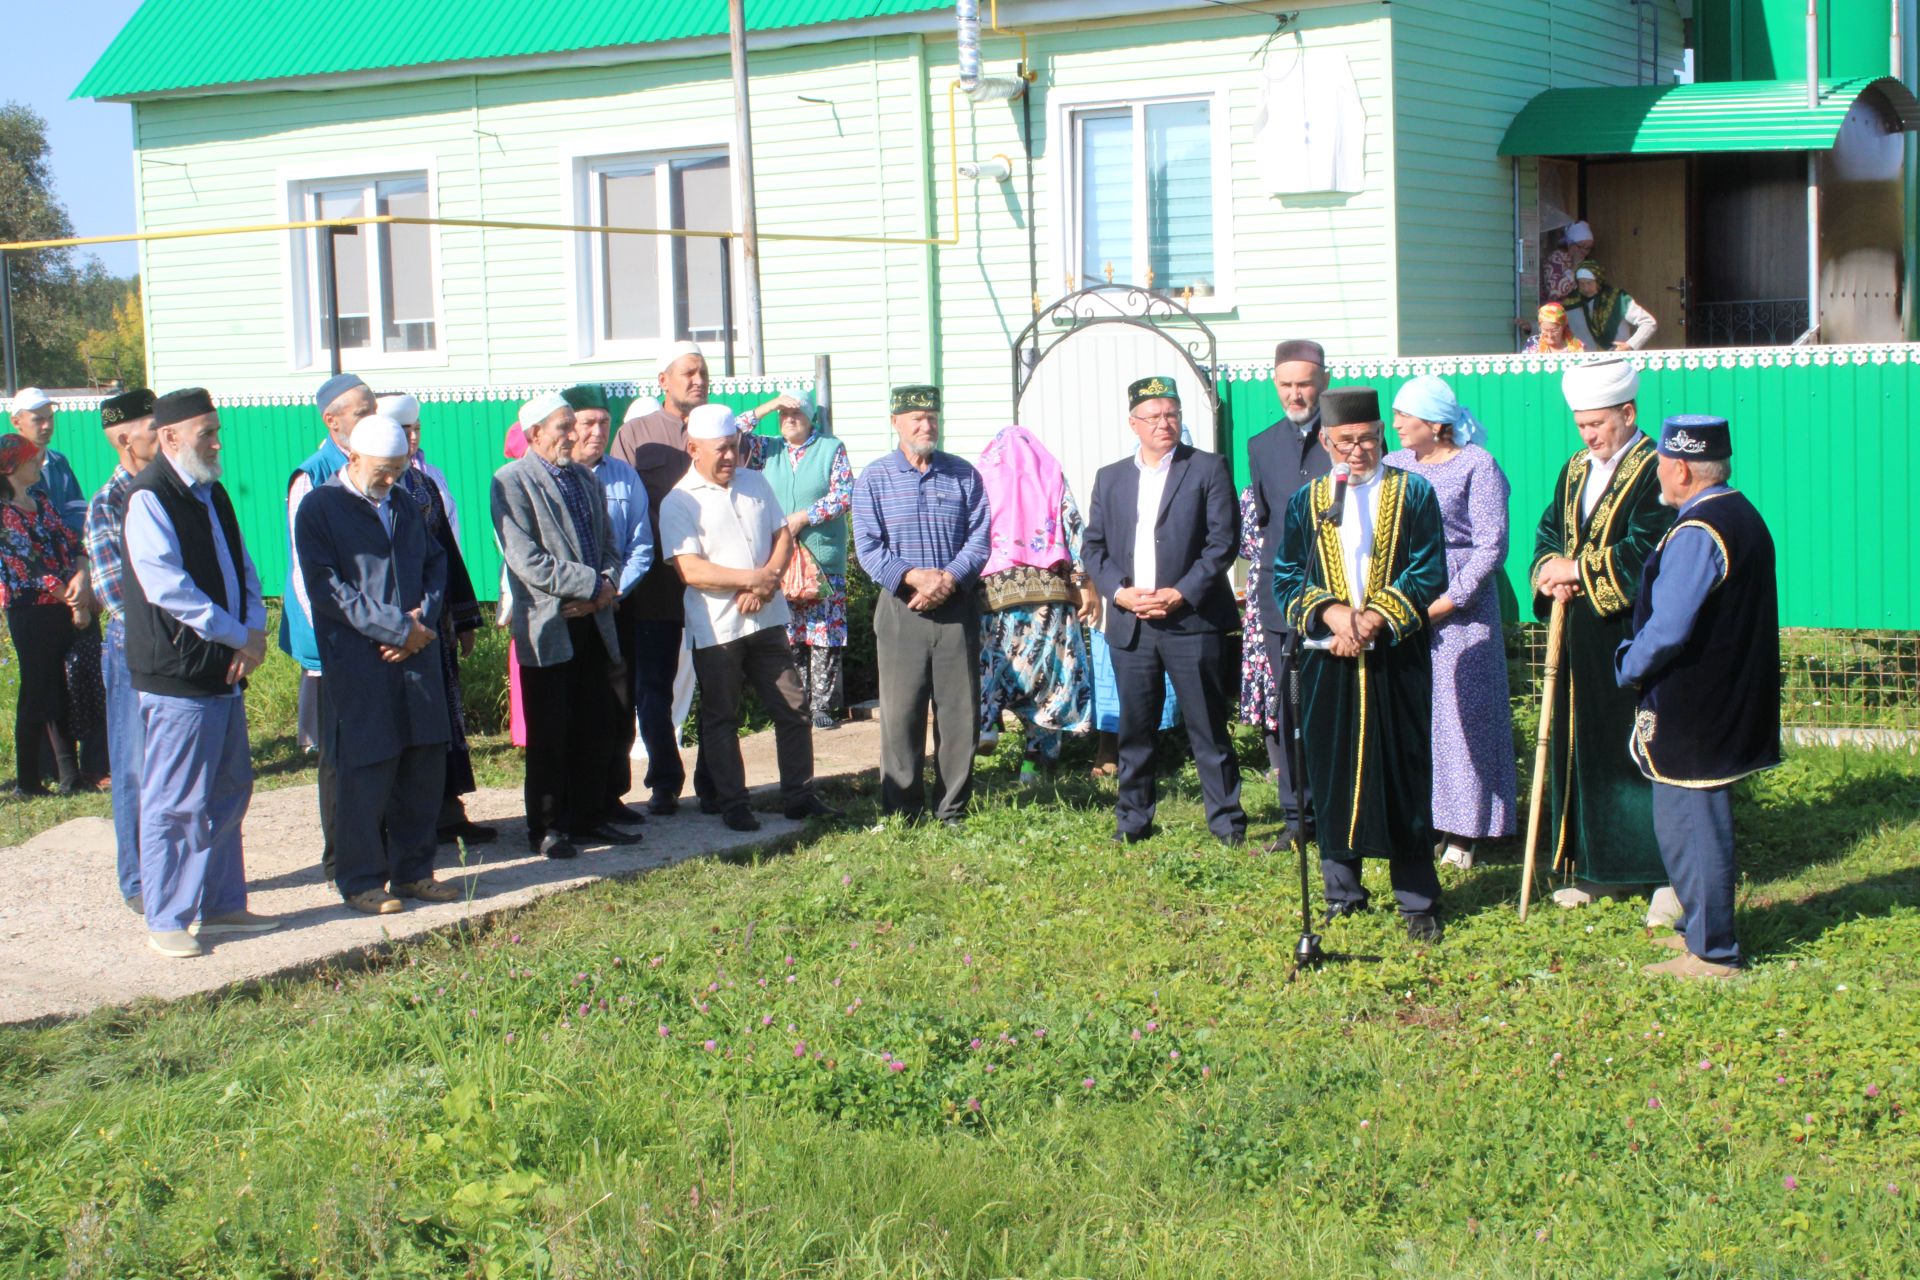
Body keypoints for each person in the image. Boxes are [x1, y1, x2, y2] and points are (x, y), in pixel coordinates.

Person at [1273, 387, 1449, 940]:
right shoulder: (1309, 502)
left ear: (1381, 437)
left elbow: (1429, 570)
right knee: (1332, 771)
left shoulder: (1414, 492)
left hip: (1396, 658)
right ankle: (1341, 892)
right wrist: (1330, 616)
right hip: (1330, 658)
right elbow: (1286, 576)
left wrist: (1374, 618)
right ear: (1326, 441)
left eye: (1368, 439)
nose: (1358, 450)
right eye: (1346, 441)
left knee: (1403, 772)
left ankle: (1417, 901)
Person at [1615, 415, 1779, 980]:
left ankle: (1714, 951)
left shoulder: (1697, 531)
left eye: (1661, 462)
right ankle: (1697, 935)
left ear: (1680, 467)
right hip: (1724, 696)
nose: (1658, 471)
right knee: (1685, 823)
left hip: (1696, 706)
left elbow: (1668, 628)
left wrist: (1627, 664)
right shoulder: (1740, 512)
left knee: (1694, 828)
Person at [608, 341, 797, 814]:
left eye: (703, 372)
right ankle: (666, 781)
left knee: (718, 694)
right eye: (688, 372)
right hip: (656, 586)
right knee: (655, 686)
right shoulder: (637, 435)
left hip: (730, 595)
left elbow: (761, 516)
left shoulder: (729, 429)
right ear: (663, 381)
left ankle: (715, 787)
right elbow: (623, 505)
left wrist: (760, 581)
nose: (698, 379)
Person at [122, 388, 278, 958]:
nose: (216, 443)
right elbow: (166, 586)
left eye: (216, 432)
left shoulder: (210, 492)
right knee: (176, 801)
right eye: (205, 433)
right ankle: (166, 916)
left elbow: (242, 563)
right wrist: (239, 635)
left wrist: (255, 631)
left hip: (225, 668)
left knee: (230, 788)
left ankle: (221, 906)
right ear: (169, 438)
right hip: (179, 676)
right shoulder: (149, 498)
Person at [296, 415, 465, 914]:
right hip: (361, 661)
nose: (392, 479)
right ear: (352, 457)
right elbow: (327, 588)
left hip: (417, 655)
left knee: (422, 765)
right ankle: (361, 879)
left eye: (399, 469)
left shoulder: (406, 504)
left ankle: (415, 871)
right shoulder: (320, 508)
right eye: (383, 471)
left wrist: (420, 621)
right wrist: (395, 629)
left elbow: (438, 564)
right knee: (367, 770)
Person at [1532, 355, 1675, 914]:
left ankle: (1657, 870)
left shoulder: (1655, 468)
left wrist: (1579, 571)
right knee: (1581, 747)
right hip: (1576, 635)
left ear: (1628, 412)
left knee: (1634, 751)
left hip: (1632, 635)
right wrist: (1548, 569)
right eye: (1582, 425)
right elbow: (1551, 529)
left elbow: (1651, 544)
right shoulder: (1573, 470)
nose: (1589, 435)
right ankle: (1594, 867)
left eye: (1598, 424)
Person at [1083, 376, 1246, 847]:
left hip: (1192, 621)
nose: (1164, 423)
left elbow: (1222, 543)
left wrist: (1181, 592)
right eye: (1153, 416)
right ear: (1133, 423)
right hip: (1132, 624)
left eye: (1171, 414)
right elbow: (1093, 547)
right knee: (1135, 730)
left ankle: (1227, 826)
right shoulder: (1110, 477)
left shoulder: (1208, 468)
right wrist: (1118, 592)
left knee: (1208, 730)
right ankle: (1133, 822)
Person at [661, 404, 835, 831]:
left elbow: (782, 536)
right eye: (719, 450)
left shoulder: (755, 482)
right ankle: (733, 803)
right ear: (693, 449)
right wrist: (753, 580)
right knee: (722, 716)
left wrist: (767, 583)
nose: (728, 458)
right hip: (718, 627)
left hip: (768, 619)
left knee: (793, 707)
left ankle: (799, 795)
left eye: (733, 448)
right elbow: (690, 569)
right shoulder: (678, 501)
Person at [491, 392, 639, 860]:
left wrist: (607, 585)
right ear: (535, 434)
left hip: (594, 620)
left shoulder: (584, 478)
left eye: (573, 425)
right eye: (563, 427)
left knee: (597, 724)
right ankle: (548, 827)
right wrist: (590, 584)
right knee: (551, 732)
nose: (574, 435)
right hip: (549, 625)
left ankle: (590, 816)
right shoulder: (510, 482)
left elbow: (610, 546)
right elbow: (526, 559)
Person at [1383, 375, 1518, 868]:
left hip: (1460, 609)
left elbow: (1491, 546)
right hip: (1405, 600)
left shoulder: (1476, 466)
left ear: (1436, 424)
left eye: (1404, 416)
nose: (1395, 424)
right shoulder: (1394, 465)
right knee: (1420, 717)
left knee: (1465, 720)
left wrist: (1448, 600)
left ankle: (1467, 832)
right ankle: (1429, 820)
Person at [851, 384, 991, 827]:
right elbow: (867, 547)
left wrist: (948, 578)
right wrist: (914, 577)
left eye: (931, 417)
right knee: (900, 712)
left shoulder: (964, 474)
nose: (925, 425)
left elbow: (981, 536)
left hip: (956, 607)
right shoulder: (874, 478)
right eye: (915, 418)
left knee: (959, 712)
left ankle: (952, 808)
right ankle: (902, 810)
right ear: (896, 423)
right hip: (900, 608)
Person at [377, 393, 495, 846]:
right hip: (389, 632)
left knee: (443, 721)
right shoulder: (367, 490)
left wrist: (463, 618)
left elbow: (446, 555)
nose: (410, 439)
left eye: (414, 430)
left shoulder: (423, 486)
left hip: (434, 626)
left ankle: (447, 811)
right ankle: (400, 824)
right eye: (400, 431)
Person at [284, 372, 376, 882]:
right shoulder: (313, 475)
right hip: (333, 637)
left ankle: (376, 842)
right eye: (361, 412)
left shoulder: (375, 464)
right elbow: (305, 572)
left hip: (375, 634)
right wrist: (332, 634)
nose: (371, 419)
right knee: (339, 750)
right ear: (332, 421)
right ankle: (339, 853)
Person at [974, 425, 1096, 782]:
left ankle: (987, 726)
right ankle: (1034, 763)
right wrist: (1084, 581)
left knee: (992, 669)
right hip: (1051, 601)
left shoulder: (981, 478)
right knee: (1049, 682)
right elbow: (1074, 528)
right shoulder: (1051, 473)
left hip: (995, 599)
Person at [1245, 340, 1333, 828]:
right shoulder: (1261, 446)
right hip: (1281, 603)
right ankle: (1297, 816)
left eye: (1304, 383)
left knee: (1334, 709)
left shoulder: (1348, 439)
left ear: (1323, 381)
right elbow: (1264, 526)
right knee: (1287, 708)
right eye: (1286, 385)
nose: (1295, 394)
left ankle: (1340, 810)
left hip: (1341, 601)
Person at [562, 383, 654, 824]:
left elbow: (641, 543)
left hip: (616, 608)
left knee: (619, 702)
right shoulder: (550, 477)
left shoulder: (624, 476)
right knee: (574, 706)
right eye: (588, 423)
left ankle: (612, 795)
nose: (597, 431)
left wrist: (612, 592)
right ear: (568, 426)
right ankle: (573, 800)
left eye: (604, 422)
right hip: (566, 612)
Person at [84, 387, 160, 909]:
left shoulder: (173, 489)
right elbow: (116, 595)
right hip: (136, 647)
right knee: (134, 766)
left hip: (179, 649)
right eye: (155, 428)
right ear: (125, 438)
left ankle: (178, 868)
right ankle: (138, 881)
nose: (165, 435)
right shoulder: (109, 503)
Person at [0, 435, 94, 796]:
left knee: (65, 689)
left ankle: (71, 776)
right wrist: (75, 601)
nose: (39, 464)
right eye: (31, 460)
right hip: (31, 613)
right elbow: (29, 566)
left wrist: (82, 575)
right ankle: (27, 781)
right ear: (11, 467)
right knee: (38, 692)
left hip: (65, 604)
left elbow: (72, 543)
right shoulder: (4, 513)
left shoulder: (40, 500)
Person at [760, 392, 854, 730]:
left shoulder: (831, 448)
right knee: (788, 635)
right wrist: (768, 406)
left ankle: (823, 706)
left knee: (823, 633)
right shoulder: (767, 449)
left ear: (810, 415)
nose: (788, 418)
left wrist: (804, 516)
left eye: (796, 412)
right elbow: (733, 431)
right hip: (779, 556)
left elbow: (844, 494)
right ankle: (795, 704)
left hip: (821, 556)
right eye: (783, 413)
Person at [8, 387, 88, 531]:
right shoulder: (8, 469)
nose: (47, 426)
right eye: (38, 420)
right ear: (16, 422)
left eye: (50, 417)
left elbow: (77, 508)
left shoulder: (58, 461)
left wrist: (67, 545)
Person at [1563, 261, 1658, 351]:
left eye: (1589, 283)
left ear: (1598, 281)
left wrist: (1630, 345)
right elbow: (1557, 328)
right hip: (1582, 360)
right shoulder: (1570, 303)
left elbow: (1649, 322)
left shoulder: (1618, 299)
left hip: (1616, 358)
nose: (1586, 288)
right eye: (1581, 284)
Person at [1541, 220, 1594, 304]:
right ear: (1570, 244)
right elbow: (1554, 292)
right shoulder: (1557, 258)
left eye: (1588, 248)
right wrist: (1574, 267)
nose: (1585, 251)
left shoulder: (1585, 263)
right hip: (1557, 312)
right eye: (1582, 246)